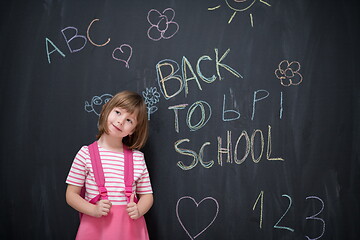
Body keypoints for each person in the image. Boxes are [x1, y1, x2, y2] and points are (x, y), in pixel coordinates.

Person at [66, 90, 153, 240]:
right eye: (118, 112)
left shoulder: (137, 159)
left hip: (129, 231)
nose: (120, 121)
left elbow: (147, 196)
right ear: (106, 111)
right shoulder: (85, 154)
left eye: (129, 120)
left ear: (133, 130)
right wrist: (93, 210)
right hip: (95, 230)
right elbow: (71, 195)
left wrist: (139, 209)